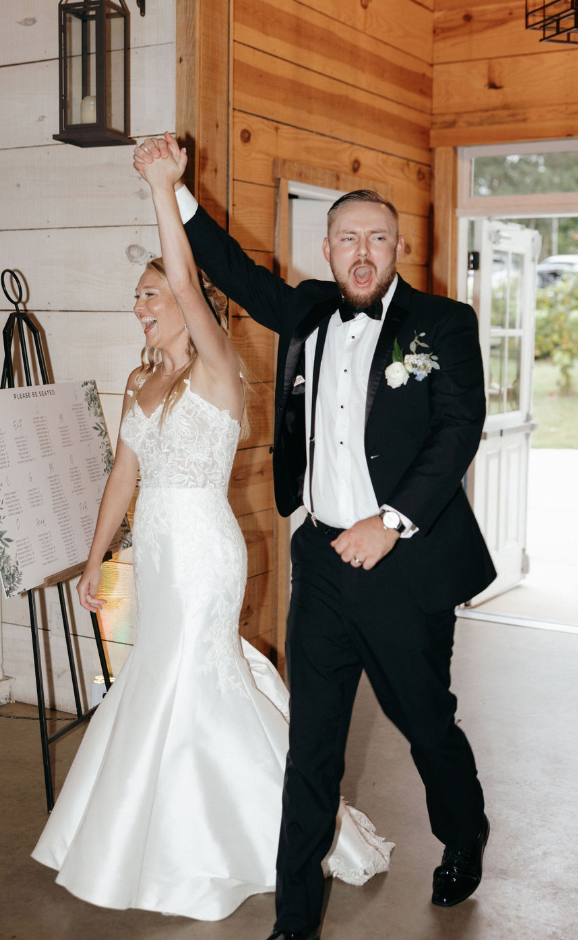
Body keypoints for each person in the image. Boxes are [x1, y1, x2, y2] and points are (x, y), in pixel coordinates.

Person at [133, 133, 497, 940]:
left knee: (425, 721)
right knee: (311, 748)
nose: (361, 252)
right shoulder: (304, 310)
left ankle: (463, 833)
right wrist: (173, 190)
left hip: (404, 566)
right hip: (321, 566)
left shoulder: (445, 323)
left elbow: (457, 430)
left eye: (376, 238)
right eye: (346, 239)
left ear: (398, 247)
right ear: (327, 249)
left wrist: (391, 521)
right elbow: (226, 268)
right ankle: (295, 923)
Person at [31, 140, 394, 920]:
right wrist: (93, 560)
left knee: (187, 681)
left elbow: (190, 276)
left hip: (202, 552)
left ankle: (239, 838)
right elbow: (123, 477)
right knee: (160, 677)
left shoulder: (218, 367)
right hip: (156, 552)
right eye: (138, 297)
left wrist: (166, 191)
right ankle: (148, 832)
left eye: (152, 296)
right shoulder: (139, 379)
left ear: (187, 303)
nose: (141, 307)